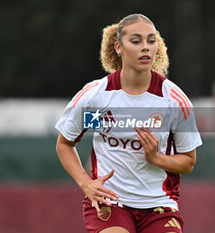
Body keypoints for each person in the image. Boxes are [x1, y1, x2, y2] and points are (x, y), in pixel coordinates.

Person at [56, 13, 202, 233]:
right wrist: (86, 184)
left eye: (151, 41)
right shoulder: (96, 97)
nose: (145, 47)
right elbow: (65, 144)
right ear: (118, 47)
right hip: (110, 202)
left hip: (159, 205)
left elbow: (189, 162)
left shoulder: (173, 100)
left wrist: (156, 158)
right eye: (136, 41)